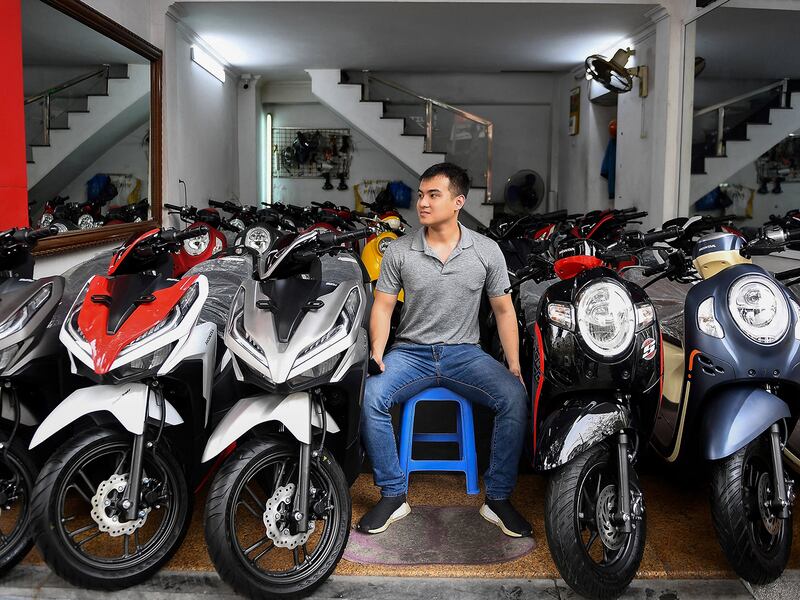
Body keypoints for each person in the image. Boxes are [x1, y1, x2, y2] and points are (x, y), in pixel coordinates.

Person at [358, 162, 531, 537]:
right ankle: (392, 494)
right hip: (411, 353)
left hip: (464, 354)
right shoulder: (400, 251)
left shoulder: (486, 251)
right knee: (370, 395)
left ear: (457, 202)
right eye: (421, 195)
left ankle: (498, 499)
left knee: (514, 396)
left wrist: (513, 364)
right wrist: (376, 352)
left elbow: (504, 309)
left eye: (433, 195)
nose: (423, 202)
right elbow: (383, 306)